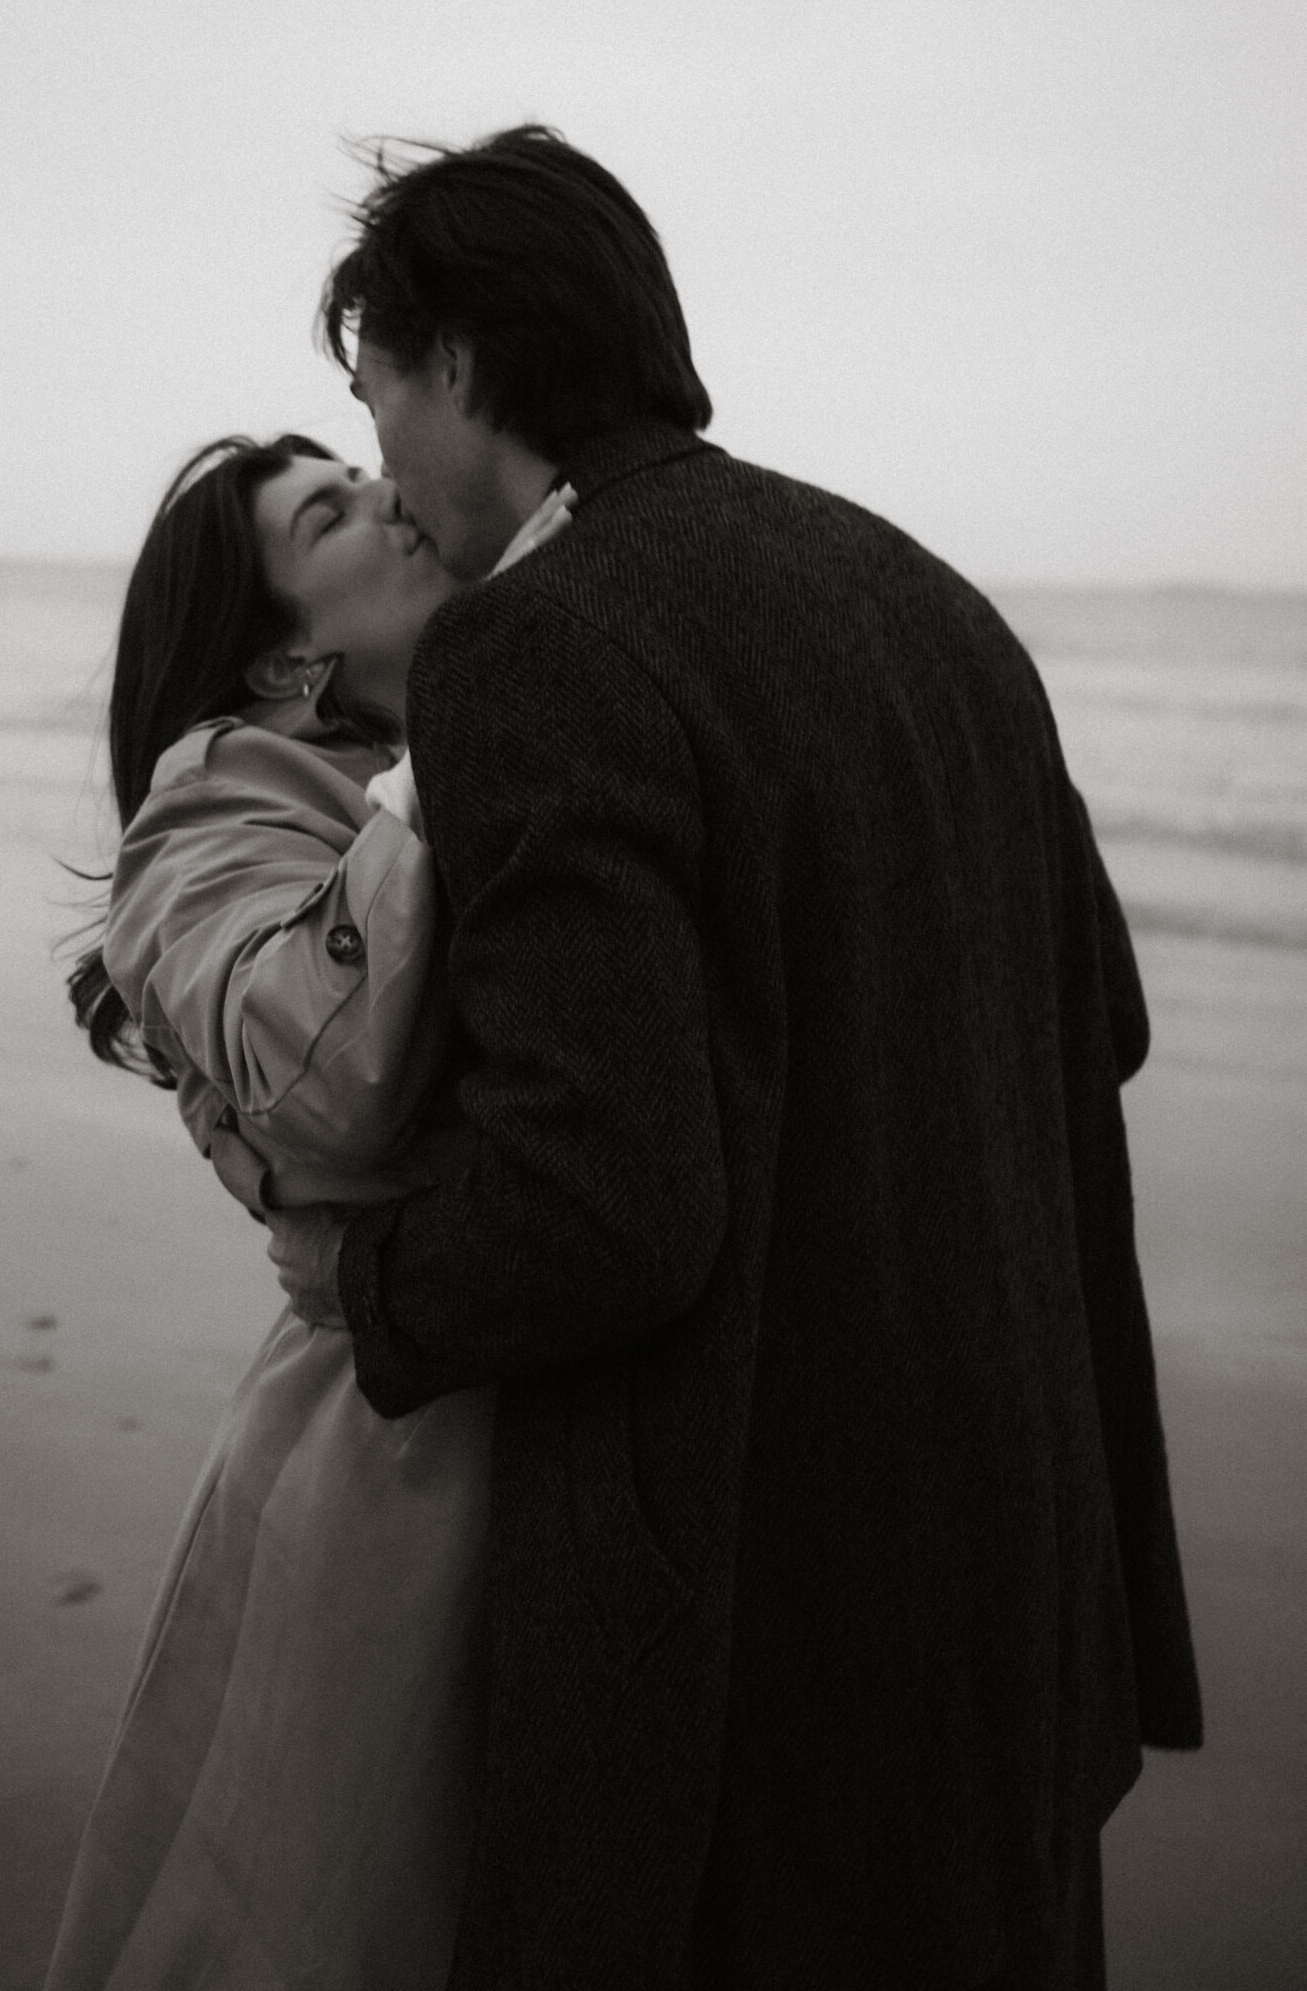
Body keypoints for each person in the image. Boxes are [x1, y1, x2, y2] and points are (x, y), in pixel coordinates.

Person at [263, 126, 1203, 1991]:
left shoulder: (535, 643)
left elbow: (606, 1203)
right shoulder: (932, 598)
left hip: (760, 1655)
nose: (383, 464)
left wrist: (364, 1278)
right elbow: (1103, 1020)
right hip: (1025, 1582)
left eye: (376, 396)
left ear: (464, 361)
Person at [43, 432, 569, 1991]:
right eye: (329, 513)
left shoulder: (507, 730)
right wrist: (449, 744)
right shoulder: (207, 814)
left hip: (530, 1391)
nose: (392, 496)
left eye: (363, 471)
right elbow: (321, 1074)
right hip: (385, 1445)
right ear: (281, 661)